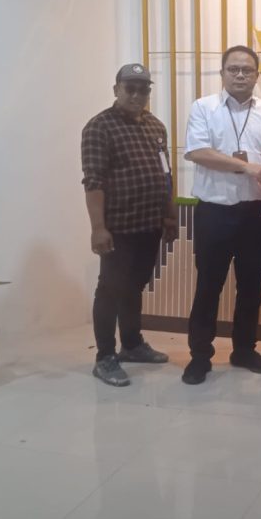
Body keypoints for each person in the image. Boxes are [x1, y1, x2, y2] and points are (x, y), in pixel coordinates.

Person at [182, 45, 261, 385]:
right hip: (214, 212)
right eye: (233, 69)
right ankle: (200, 356)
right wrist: (245, 167)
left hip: (255, 214)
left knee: (250, 287)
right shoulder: (204, 107)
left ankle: (244, 350)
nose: (240, 75)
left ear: (257, 75)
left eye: (247, 70)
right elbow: (198, 152)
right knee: (208, 286)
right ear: (222, 73)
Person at [81, 63, 178, 387]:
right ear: (116, 90)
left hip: (149, 225)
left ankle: (133, 345)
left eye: (143, 89)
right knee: (110, 289)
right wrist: (98, 228)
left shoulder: (155, 126)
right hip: (118, 228)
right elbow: (93, 181)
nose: (137, 95)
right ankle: (105, 357)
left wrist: (169, 215)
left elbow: (165, 174)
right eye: (130, 88)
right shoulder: (99, 127)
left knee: (135, 286)